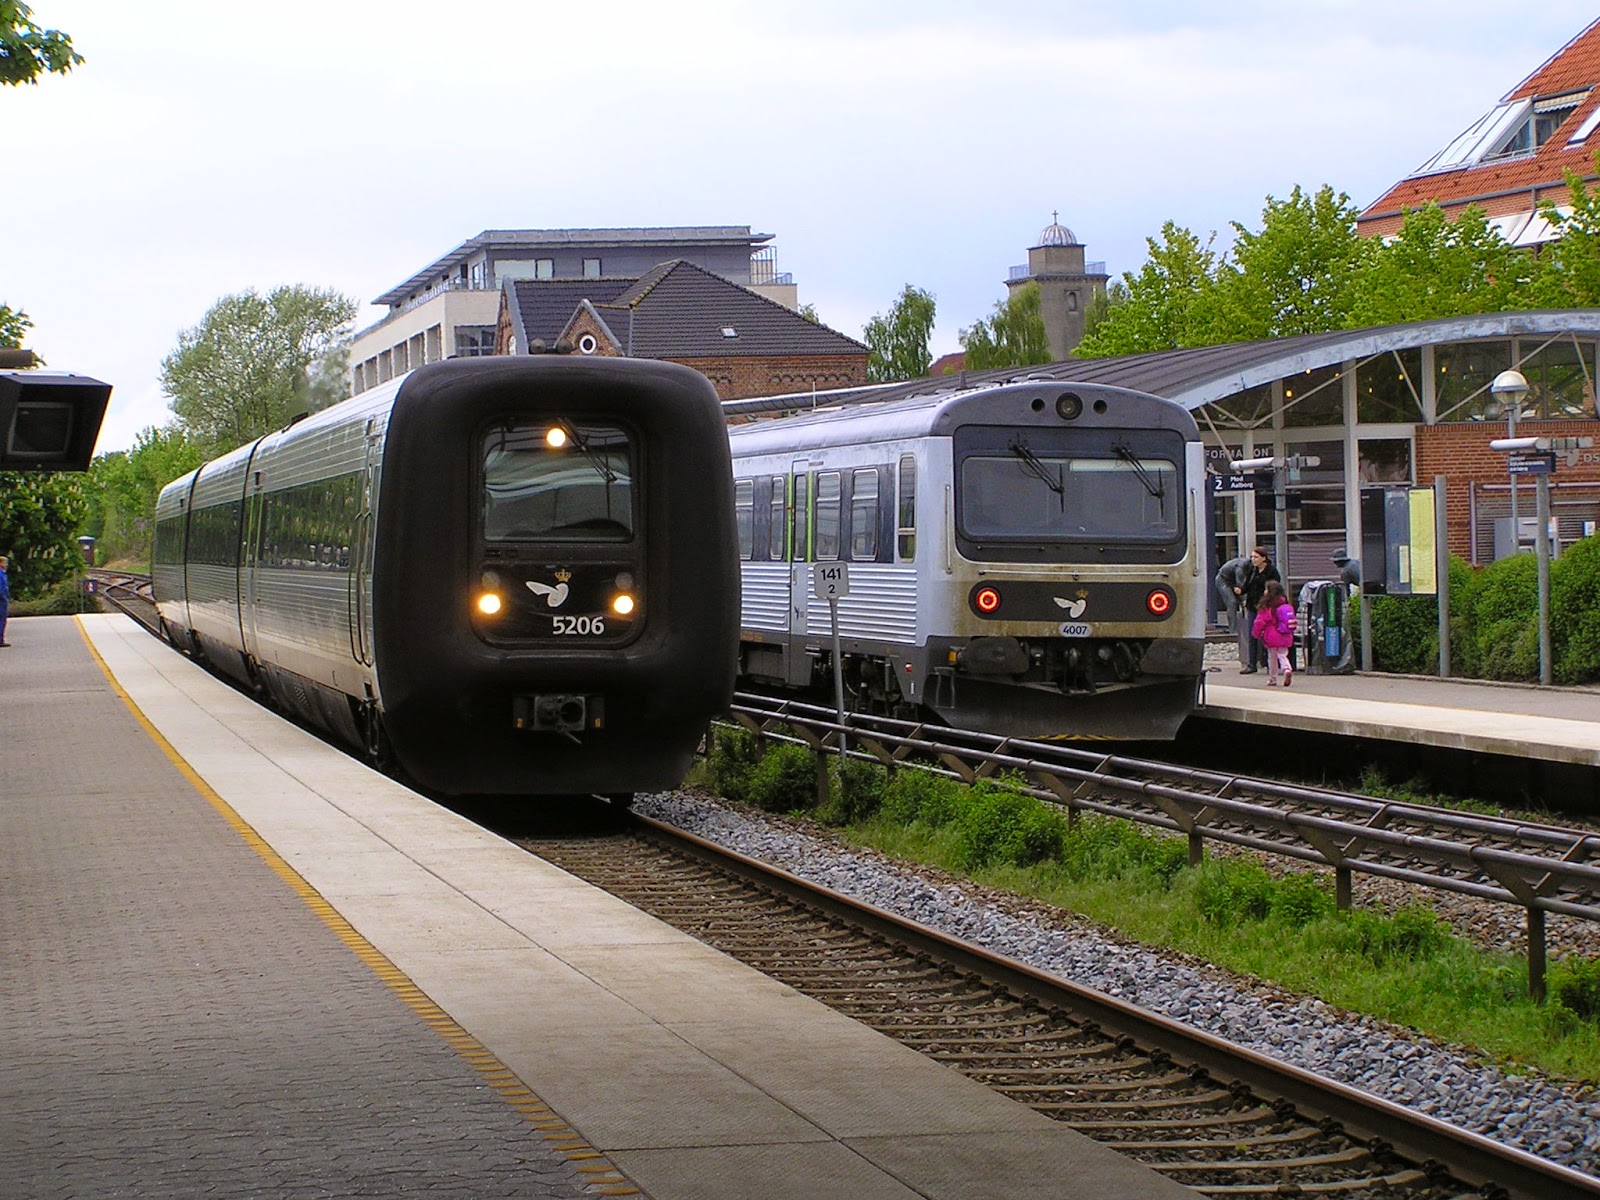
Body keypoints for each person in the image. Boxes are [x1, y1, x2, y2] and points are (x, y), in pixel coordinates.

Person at [1239, 545, 1280, 674]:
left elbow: (1274, 587)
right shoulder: (1252, 570)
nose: (1253, 560)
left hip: (1265, 606)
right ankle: (1252, 664)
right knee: (1253, 634)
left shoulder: (1271, 571)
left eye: (1256, 557)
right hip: (1253, 605)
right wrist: (1241, 590)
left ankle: (1268, 663)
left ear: (1263, 558)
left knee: (1267, 634)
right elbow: (1247, 586)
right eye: (1252, 557)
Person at [1251, 578, 1296, 686]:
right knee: (1282, 654)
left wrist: (1256, 633)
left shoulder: (1267, 605)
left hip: (1271, 635)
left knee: (1272, 657)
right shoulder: (1284, 603)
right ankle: (1287, 669)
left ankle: (1273, 678)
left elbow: (1260, 622)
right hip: (1285, 634)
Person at [1213, 554, 1248, 637]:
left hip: (1233, 581)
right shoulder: (1240, 567)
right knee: (1232, 602)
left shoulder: (1251, 567)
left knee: (1246, 602)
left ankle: (1246, 628)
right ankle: (1233, 630)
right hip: (1223, 580)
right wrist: (1244, 599)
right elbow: (1240, 584)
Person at [0, 554, 10, 647]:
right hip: (1, 600)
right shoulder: (0, 574)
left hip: (3, 599)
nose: (6, 565)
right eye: (5, 563)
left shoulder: (3, 573)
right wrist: (4, 597)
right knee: (1, 619)